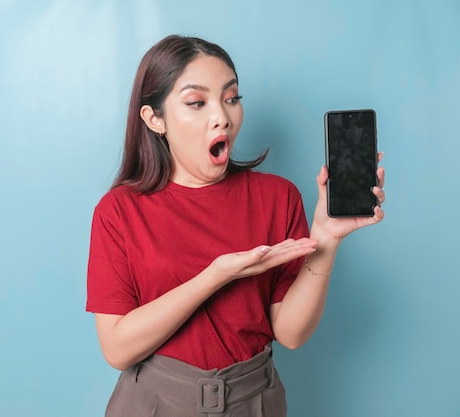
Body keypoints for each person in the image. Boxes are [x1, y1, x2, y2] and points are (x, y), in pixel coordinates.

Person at [86, 34, 385, 417]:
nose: (222, 116)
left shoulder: (277, 197)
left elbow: (291, 333)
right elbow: (117, 349)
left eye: (231, 98)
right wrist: (215, 276)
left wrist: (325, 240)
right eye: (197, 102)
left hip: (255, 401)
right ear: (155, 118)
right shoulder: (119, 211)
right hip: (155, 403)